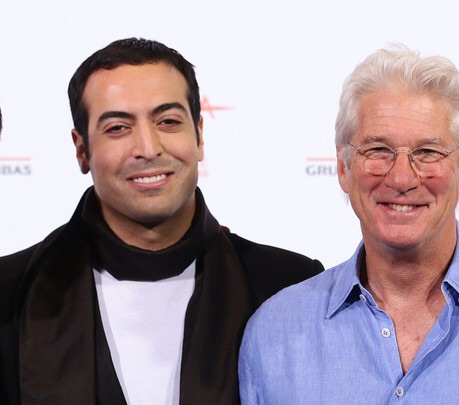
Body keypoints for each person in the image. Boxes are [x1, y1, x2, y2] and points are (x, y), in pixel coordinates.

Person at [239, 43, 459, 403]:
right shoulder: (273, 333)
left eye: (428, 153)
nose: (402, 179)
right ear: (344, 168)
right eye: (378, 150)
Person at [0, 38, 323, 405]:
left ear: (199, 135)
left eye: (168, 122)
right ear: (81, 149)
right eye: (118, 128)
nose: (149, 148)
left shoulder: (290, 287)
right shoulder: (8, 293)